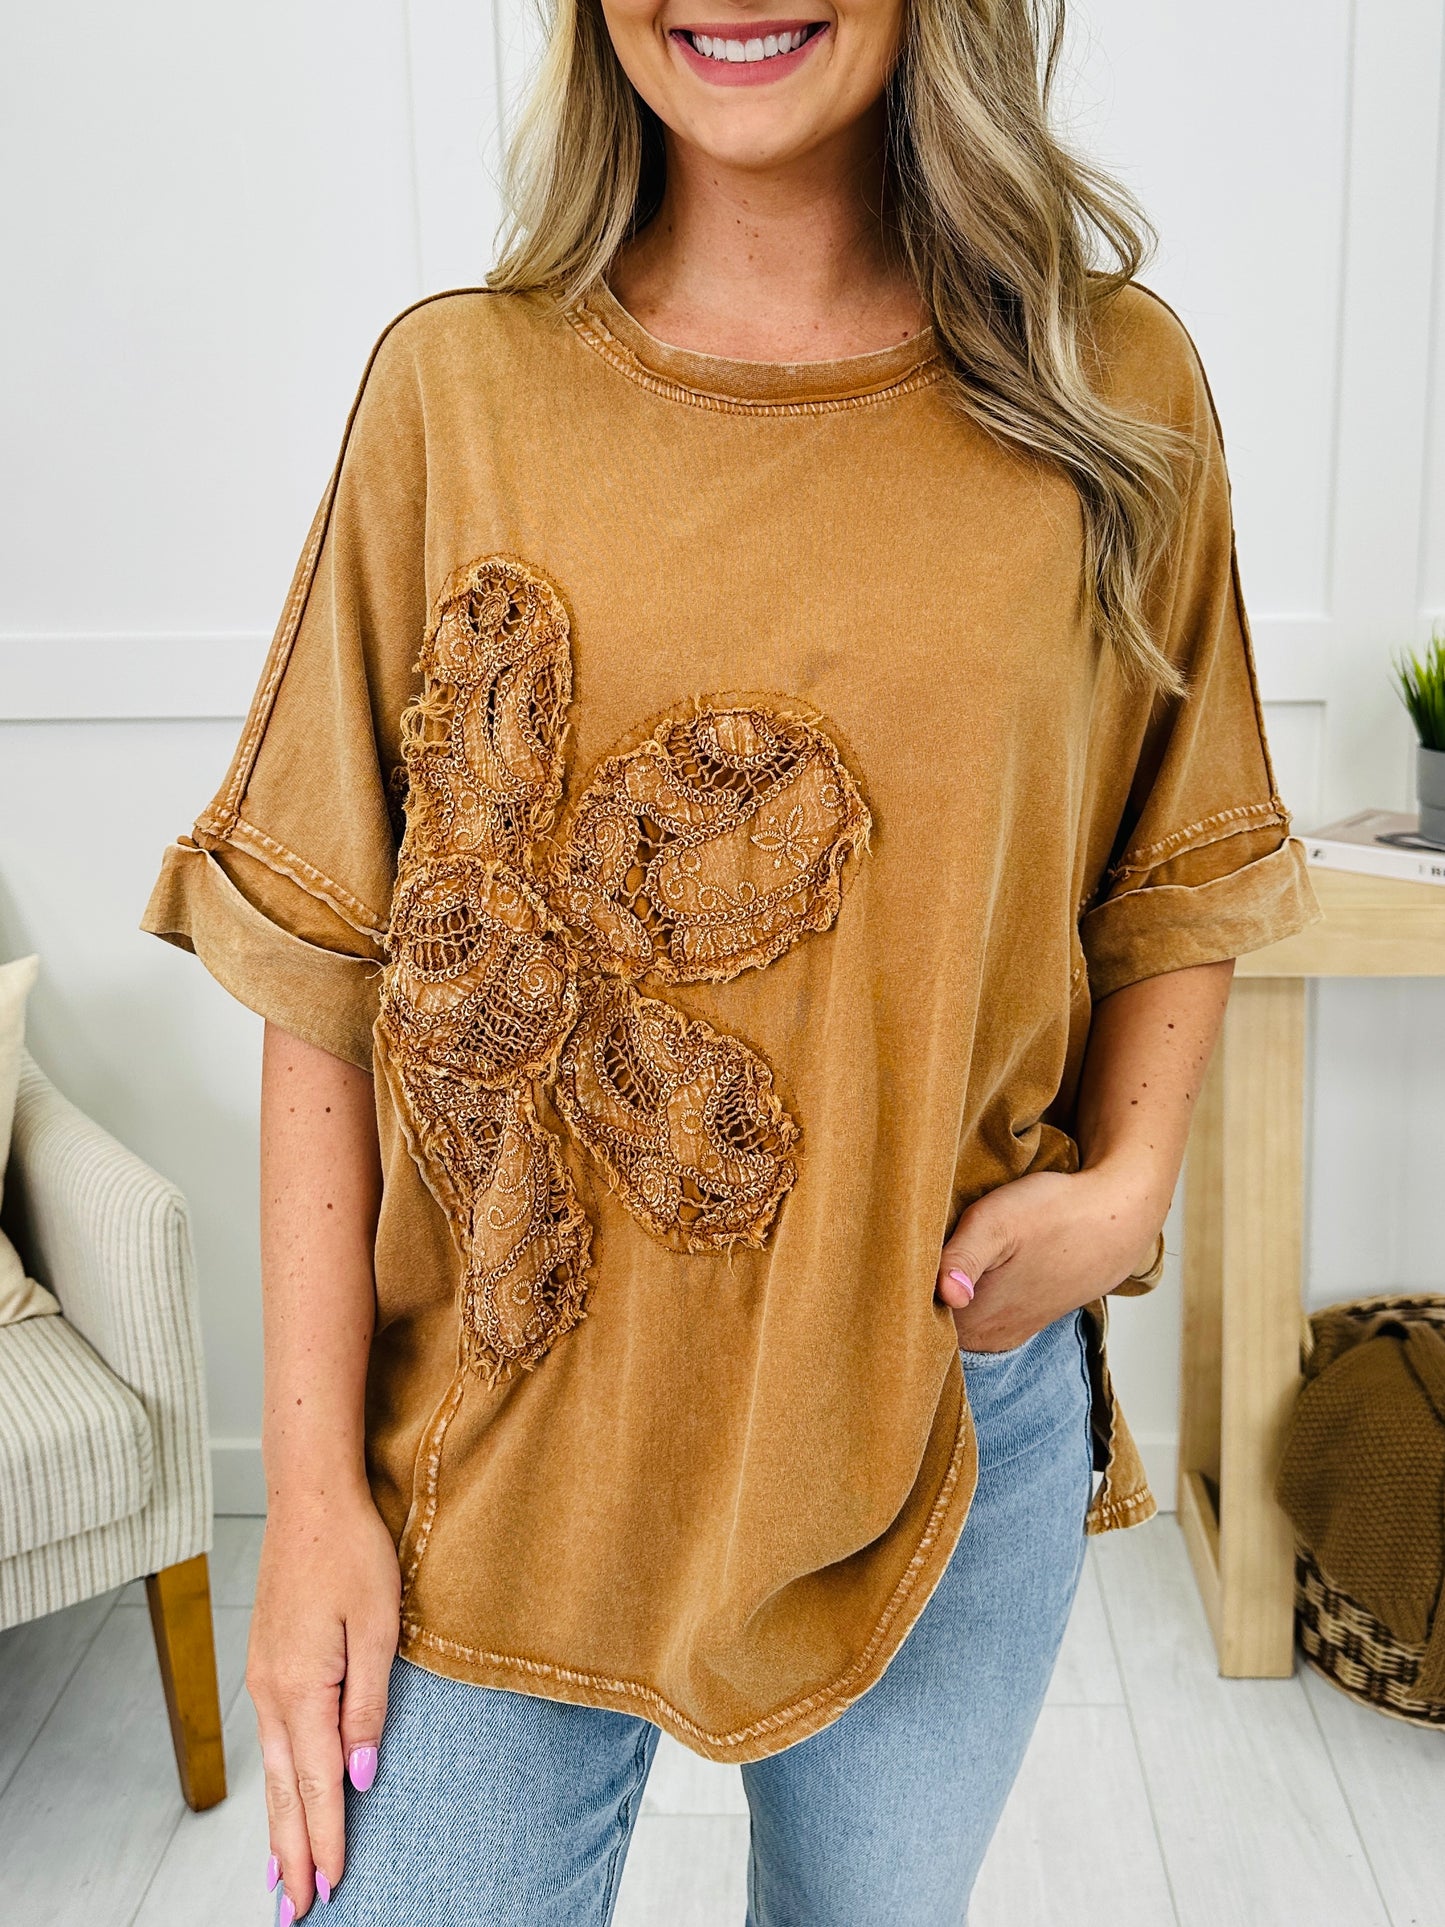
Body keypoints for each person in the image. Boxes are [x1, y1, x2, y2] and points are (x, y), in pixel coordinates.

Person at [143, 0, 1320, 1919]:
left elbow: (1174, 856)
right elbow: (323, 969)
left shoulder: (1104, 385)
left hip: (934, 1413)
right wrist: (314, 1505)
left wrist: (1128, 1189)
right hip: (496, 1452)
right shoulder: (459, 391)